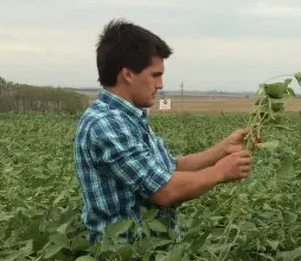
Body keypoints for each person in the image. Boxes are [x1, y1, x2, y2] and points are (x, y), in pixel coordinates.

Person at [74, 18, 252, 241]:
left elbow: (169, 168)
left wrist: (223, 149)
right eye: (155, 75)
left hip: (149, 260)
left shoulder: (128, 118)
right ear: (128, 75)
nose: (160, 84)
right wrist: (221, 171)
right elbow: (164, 191)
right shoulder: (106, 124)